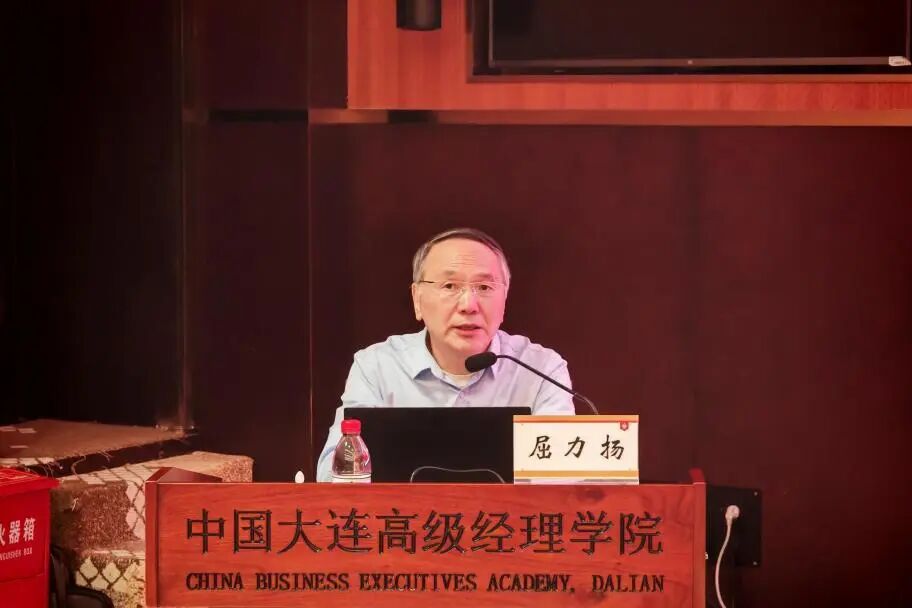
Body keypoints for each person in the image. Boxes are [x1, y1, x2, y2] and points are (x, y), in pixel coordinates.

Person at [315, 227, 575, 481]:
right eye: (450, 286)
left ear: (504, 299)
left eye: (484, 287)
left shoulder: (541, 370)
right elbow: (332, 476)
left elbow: (562, 482)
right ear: (417, 299)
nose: (468, 305)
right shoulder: (378, 367)